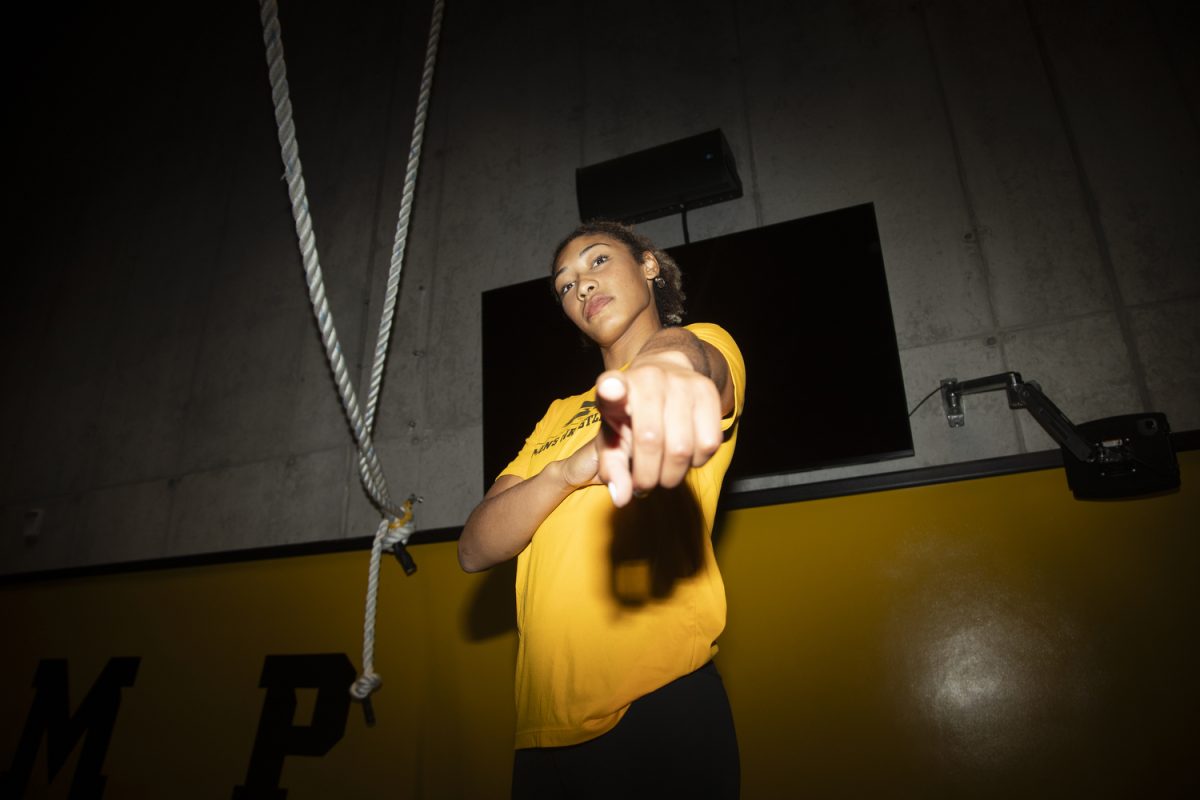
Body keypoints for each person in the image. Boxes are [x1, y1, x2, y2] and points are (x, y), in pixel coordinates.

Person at [458, 220, 745, 799]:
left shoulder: (705, 343)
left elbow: (690, 356)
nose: (580, 287)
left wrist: (663, 369)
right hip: (541, 732)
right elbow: (475, 547)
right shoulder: (560, 414)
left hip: (658, 704)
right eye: (564, 285)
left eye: (596, 262)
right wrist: (567, 470)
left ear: (649, 267)